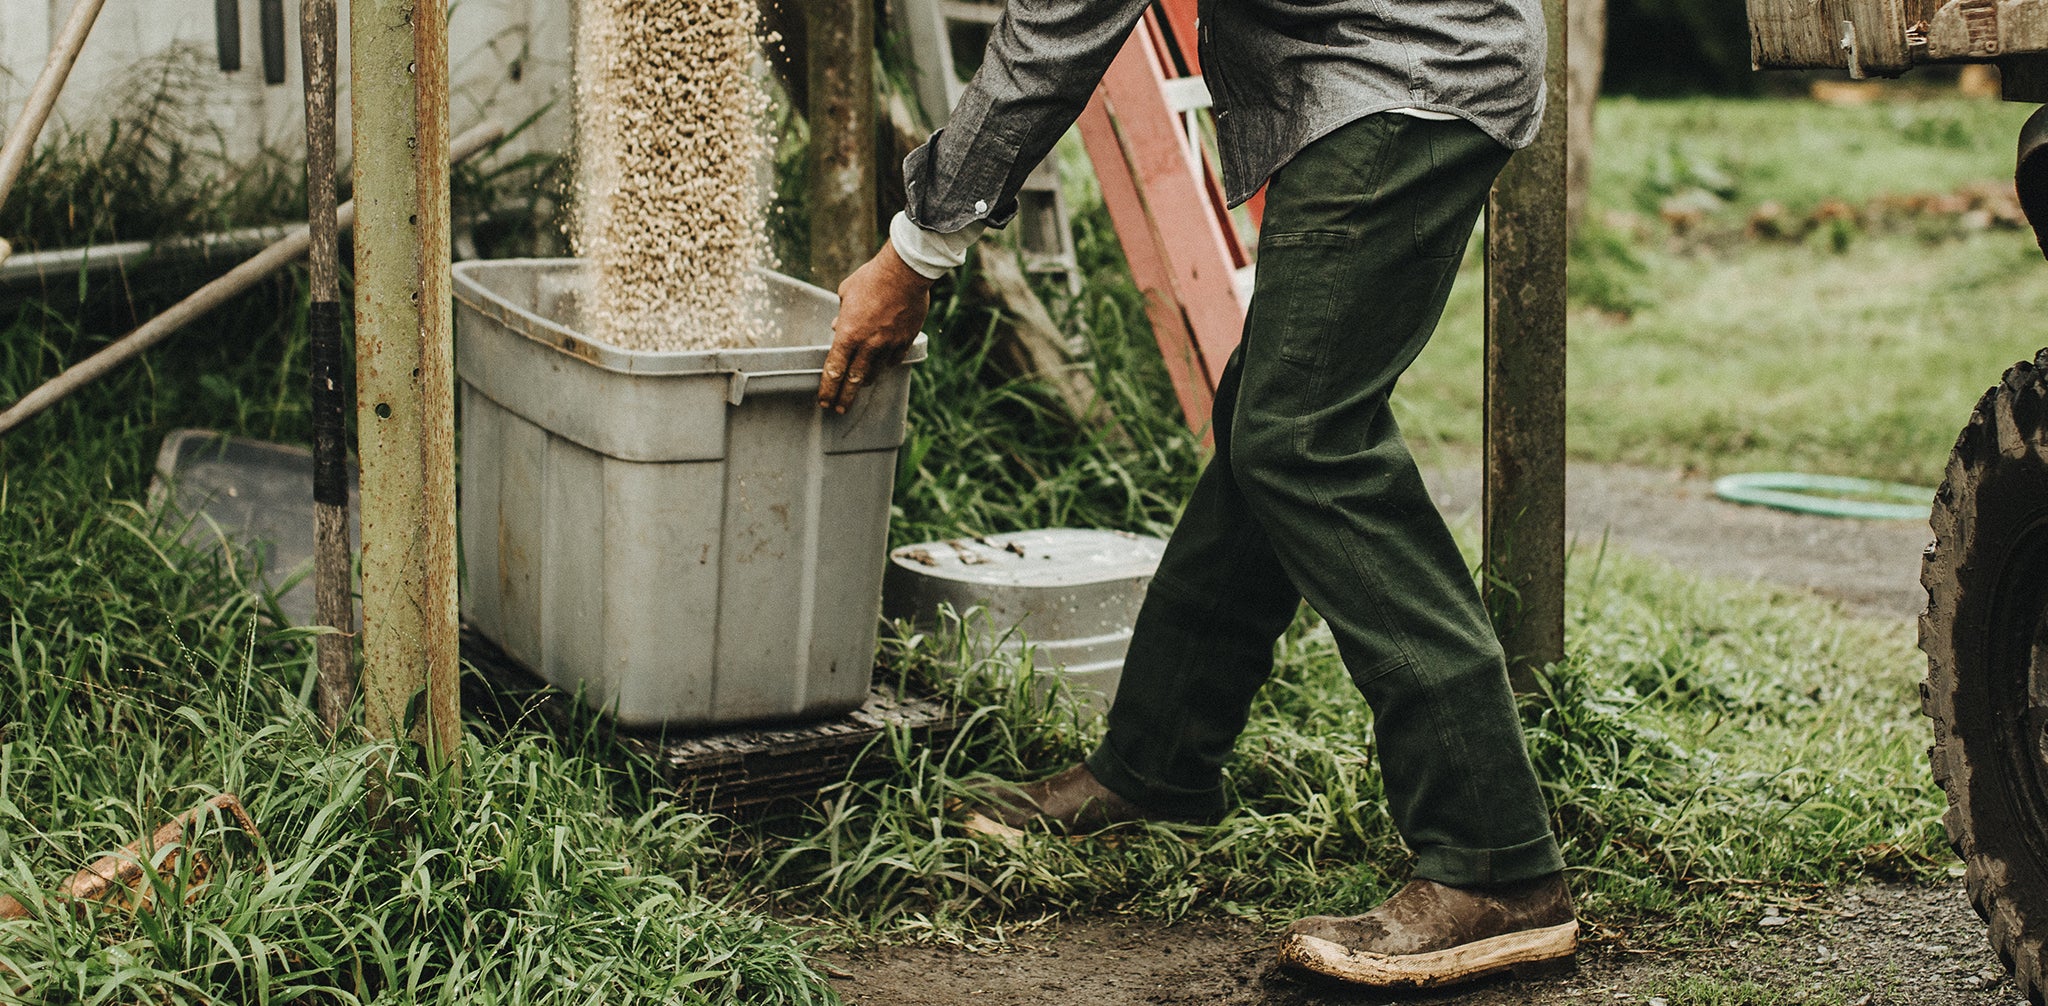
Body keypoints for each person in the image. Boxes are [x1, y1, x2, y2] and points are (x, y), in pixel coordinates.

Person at [816, 0, 1574, 988]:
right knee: (1271, 425)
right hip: (1402, 70)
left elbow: (1055, 31)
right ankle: (1155, 763)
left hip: (1406, 83)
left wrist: (916, 250)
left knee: (1304, 440)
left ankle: (1496, 864)